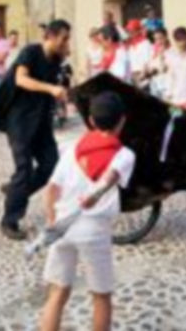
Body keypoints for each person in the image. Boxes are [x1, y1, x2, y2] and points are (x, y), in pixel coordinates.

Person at [39, 92, 135, 331]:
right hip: (94, 230)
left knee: (58, 293)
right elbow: (112, 177)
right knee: (101, 296)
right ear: (122, 121)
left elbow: (51, 189)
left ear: (91, 121)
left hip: (61, 227)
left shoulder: (72, 149)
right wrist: (96, 194)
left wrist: (52, 222)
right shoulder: (125, 155)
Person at [0, 20, 72, 240]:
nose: (66, 43)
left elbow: (62, 80)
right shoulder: (30, 52)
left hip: (41, 121)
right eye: (63, 38)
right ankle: (9, 220)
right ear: (50, 36)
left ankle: (17, 191)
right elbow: (21, 79)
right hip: (20, 121)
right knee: (23, 169)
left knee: (51, 164)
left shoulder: (56, 59)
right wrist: (51, 88)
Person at [125, 19, 153, 89]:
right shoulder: (130, 44)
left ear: (138, 30)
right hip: (132, 77)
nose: (130, 33)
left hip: (142, 76)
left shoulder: (145, 43)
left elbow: (147, 61)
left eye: (132, 30)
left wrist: (142, 76)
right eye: (129, 31)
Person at [145, 27, 171, 99]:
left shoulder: (172, 52)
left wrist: (161, 57)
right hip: (155, 87)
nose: (158, 41)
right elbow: (149, 66)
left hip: (167, 88)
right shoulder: (153, 51)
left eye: (160, 38)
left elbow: (164, 69)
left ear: (166, 37)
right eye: (156, 39)